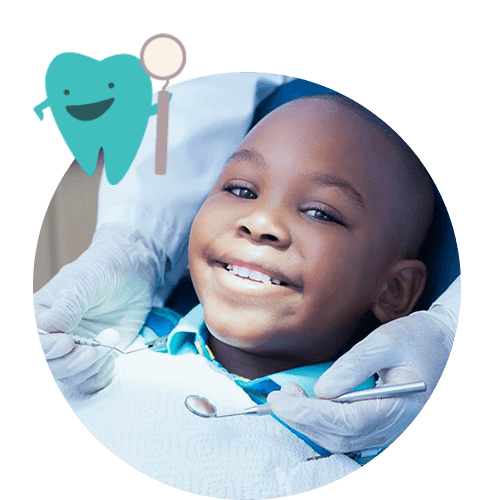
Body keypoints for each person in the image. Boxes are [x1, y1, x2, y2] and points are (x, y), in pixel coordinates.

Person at [35, 74, 460, 457]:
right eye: (240, 189)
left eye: (320, 213)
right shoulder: (110, 350)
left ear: (395, 290)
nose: (260, 224)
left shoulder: (376, 428)